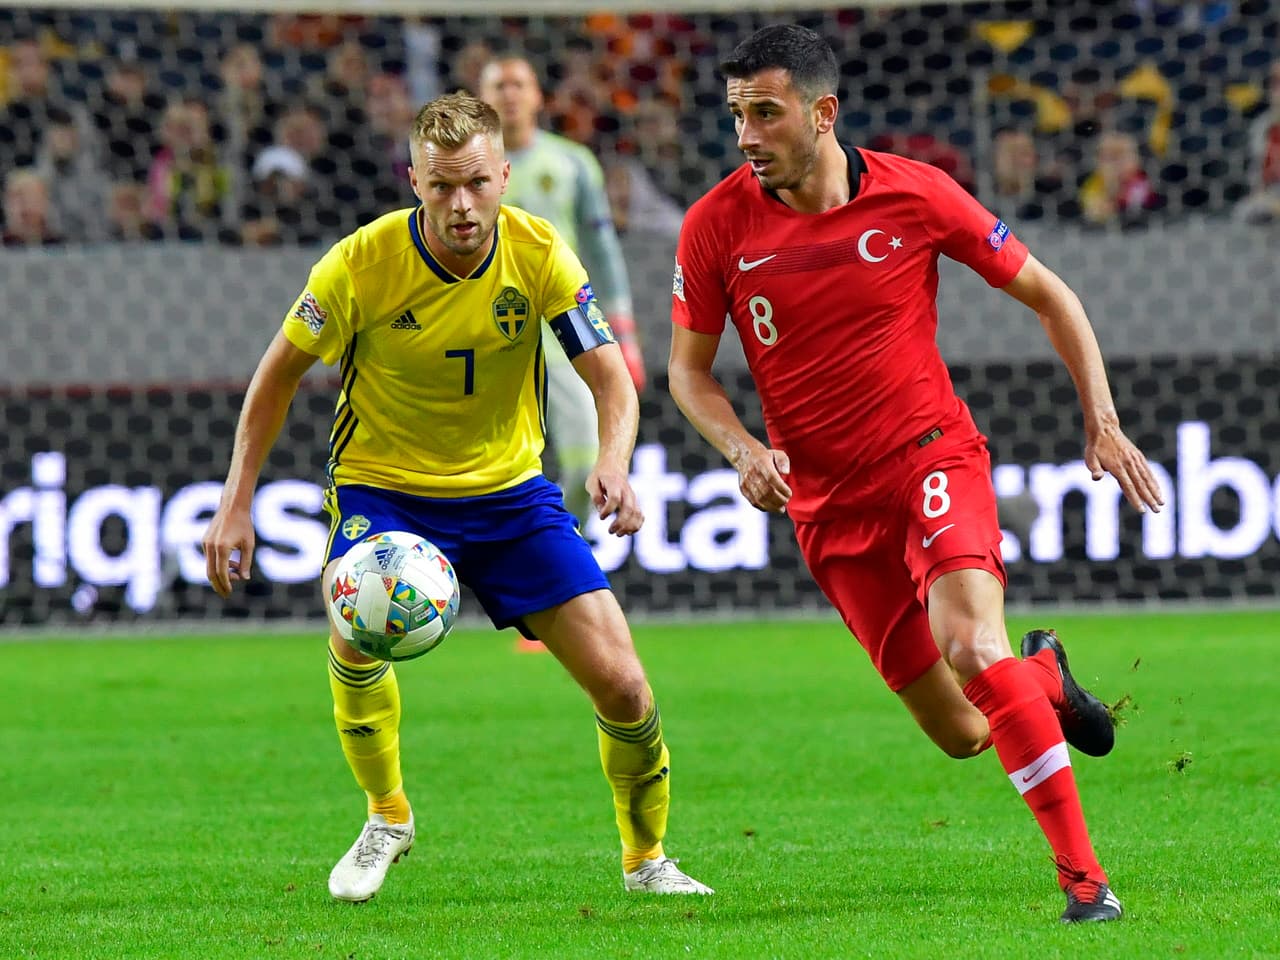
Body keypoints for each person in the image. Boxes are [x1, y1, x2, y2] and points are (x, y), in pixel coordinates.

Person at [667, 25, 1164, 924]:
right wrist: (743, 448)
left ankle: (1085, 881)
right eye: (737, 114)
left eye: (766, 113)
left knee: (975, 647)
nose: (746, 135)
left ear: (822, 114)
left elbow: (1052, 293)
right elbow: (688, 374)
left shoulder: (915, 193)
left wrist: (1103, 420)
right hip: (827, 511)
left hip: (930, 457)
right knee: (967, 732)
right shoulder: (715, 227)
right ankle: (1045, 678)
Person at [201, 92, 711, 903]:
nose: (461, 204)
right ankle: (386, 815)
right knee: (354, 632)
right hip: (387, 491)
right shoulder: (360, 263)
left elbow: (611, 378)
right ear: (414, 181)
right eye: (442, 186)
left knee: (625, 685)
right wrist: (236, 500)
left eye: (476, 182)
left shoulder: (542, 254)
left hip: (511, 495)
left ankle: (646, 861)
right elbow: (277, 377)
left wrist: (614, 462)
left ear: (506, 175)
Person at [478, 56, 646, 535]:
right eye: (498, 84)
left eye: (518, 83)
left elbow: (602, 248)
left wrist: (624, 334)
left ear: (537, 97)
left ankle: (563, 546)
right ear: (481, 100)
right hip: (486, 329)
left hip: (563, 327)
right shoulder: (468, 170)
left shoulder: (572, 162)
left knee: (586, 464)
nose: (509, 94)